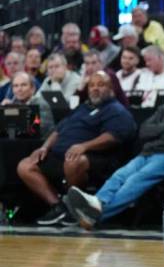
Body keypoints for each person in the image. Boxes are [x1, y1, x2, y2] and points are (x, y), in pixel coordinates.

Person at [64, 69, 164, 229]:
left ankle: (98, 215)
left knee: (136, 179)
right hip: (149, 153)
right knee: (120, 175)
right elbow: (144, 131)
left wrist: (160, 131)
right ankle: (97, 202)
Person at [17, 72, 136, 226]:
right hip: (60, 154)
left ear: (111, 88)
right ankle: (59, 207)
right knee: (25, 165)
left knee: (73, 160)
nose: (95, 89)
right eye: (92, 85)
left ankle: (75, 207)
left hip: (96, 158)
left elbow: (113, 137)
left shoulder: (116, 110)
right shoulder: (82, 107)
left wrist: (85, 146)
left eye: (101, 85)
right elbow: (58, 130)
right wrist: (44, 147)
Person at [1, 71, 54, 137]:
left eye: (23, 85)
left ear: (32, 88)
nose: (19, 89)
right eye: (15, 86)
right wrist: (3, 111)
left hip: (36, 144)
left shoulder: (41, 104)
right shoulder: (13, 103)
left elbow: (43, 130)